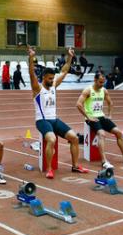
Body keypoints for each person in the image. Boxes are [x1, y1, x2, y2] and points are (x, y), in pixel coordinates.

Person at [28, 46, 88, 179]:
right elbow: (31, 74)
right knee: (52, 139)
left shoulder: (54, 85)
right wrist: (31, 57)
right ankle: (49, 169)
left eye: (52, 78)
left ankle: (75, 166)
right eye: (49, 78)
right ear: (44, 78)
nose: (51, 80)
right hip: (42, 120)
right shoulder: (37, 88)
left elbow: (65, 70)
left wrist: (70, 56)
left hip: (54, 119)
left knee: (74, 138)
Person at [77, 72, 123, 169]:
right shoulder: (88, 90)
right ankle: (104, 161)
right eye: (100, 82)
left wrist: (110, 115)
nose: (102, 84)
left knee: (118, 133)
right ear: (95, 80)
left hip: (101, 116)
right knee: (102, 134)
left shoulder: (104, 90)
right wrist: (88, 117)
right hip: (92, 118)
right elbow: (78, 104)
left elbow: (110, 103)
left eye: (103, 82)